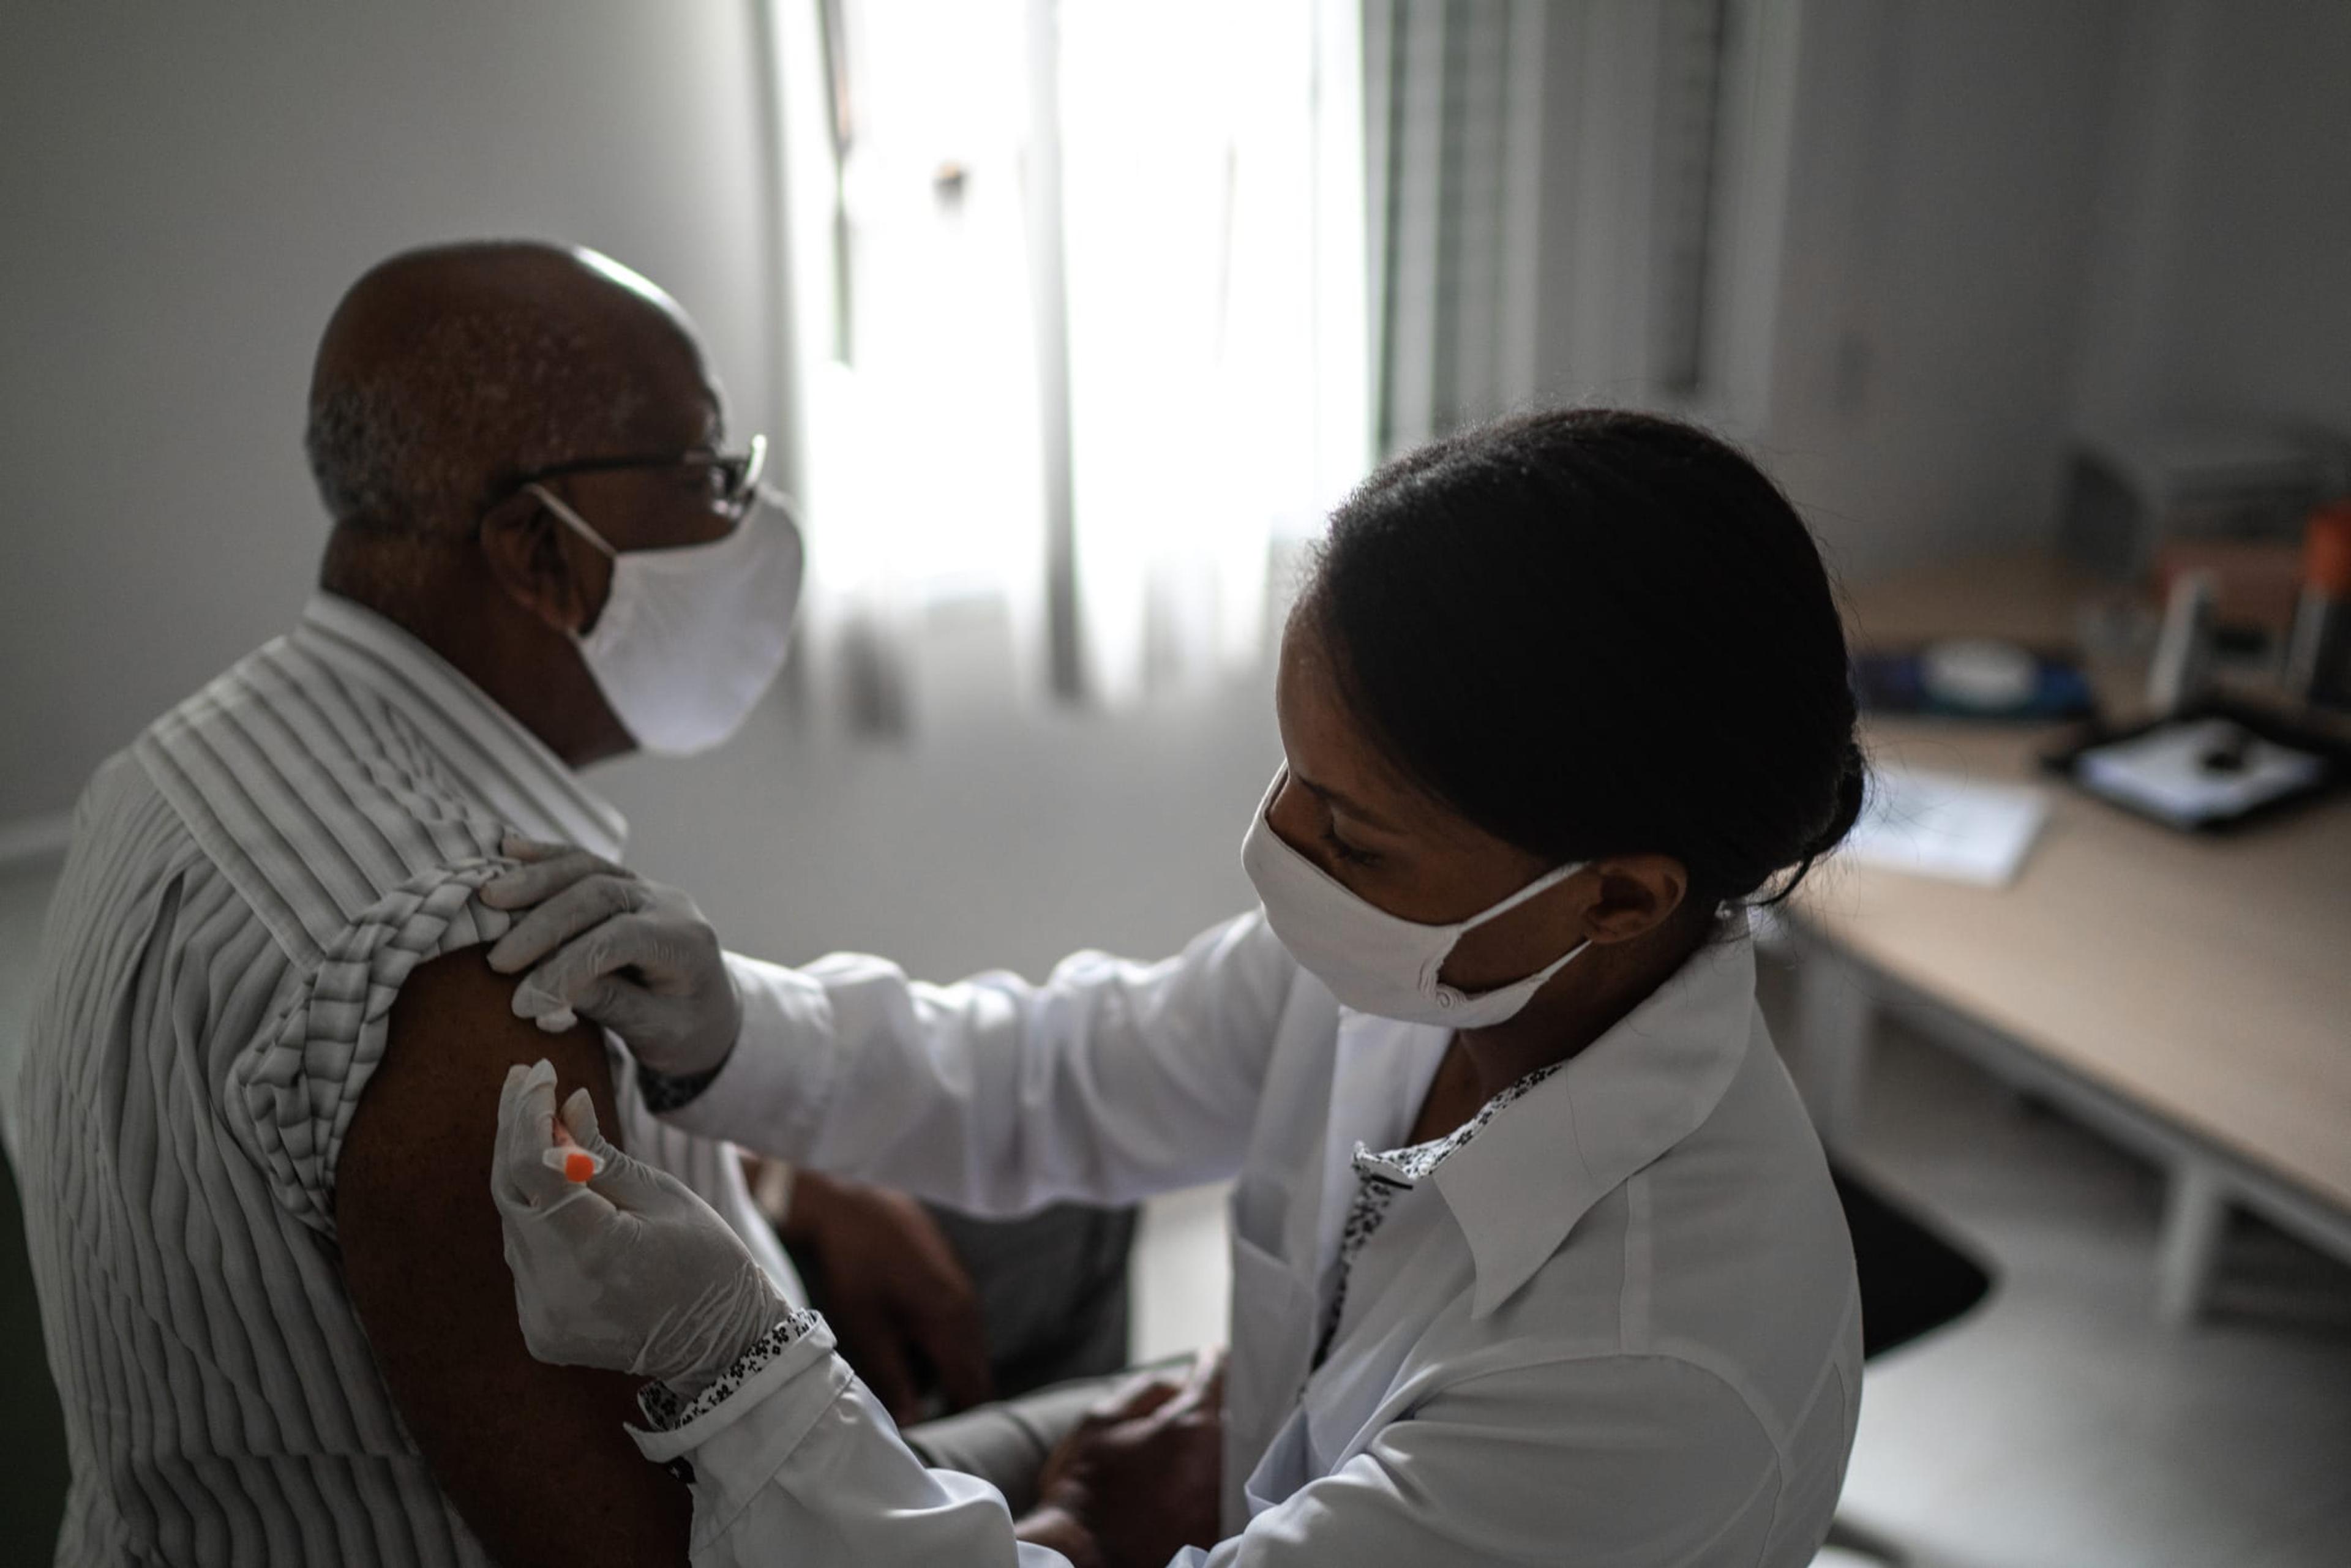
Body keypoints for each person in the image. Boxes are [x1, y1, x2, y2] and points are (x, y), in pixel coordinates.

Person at [482, 408, 1870, 1567]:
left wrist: (737, 1364)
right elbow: (1066, 1074)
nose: (1279, 848)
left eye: (1353, 832)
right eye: (1295, 779)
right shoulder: (1439, 971)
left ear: (1620, 896)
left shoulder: (1645, 1376)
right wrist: (735, 1029)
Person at [8, 239, 1125, 1568]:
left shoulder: (187, 763)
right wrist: (1087, 1532)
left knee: (1065, 1207)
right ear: (541, 551)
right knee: (1176, 1427)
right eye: (713, 477)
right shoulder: (477, 966)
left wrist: (773, 1166)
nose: (748, 520)